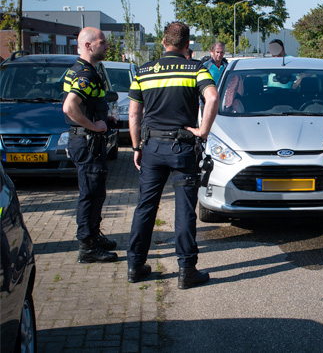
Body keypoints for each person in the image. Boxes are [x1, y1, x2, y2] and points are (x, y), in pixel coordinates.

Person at [126, 22, 219, 289]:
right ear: (187, 45)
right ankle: (186, 270)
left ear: (163, 42)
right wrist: (203, 131)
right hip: (182, 149)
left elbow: (134, 114)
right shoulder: (195, 68)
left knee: (146, 207)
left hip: (152, 148)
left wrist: (136, 147)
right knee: (184, 209)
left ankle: (135, 265)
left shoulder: (143, 71)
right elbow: (211, 98)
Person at [62, 27, 118, 263]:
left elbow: (86, 104)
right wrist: (94, 126)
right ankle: (87, 246)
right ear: (88, 45)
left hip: (85, 140)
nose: (106, 46)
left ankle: (94, 235)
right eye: (102, 42)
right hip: (87, 141)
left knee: (97, 193)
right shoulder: (85, 74)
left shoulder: (79, 70)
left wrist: (106, 119)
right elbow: (69, 106)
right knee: (90, 195)